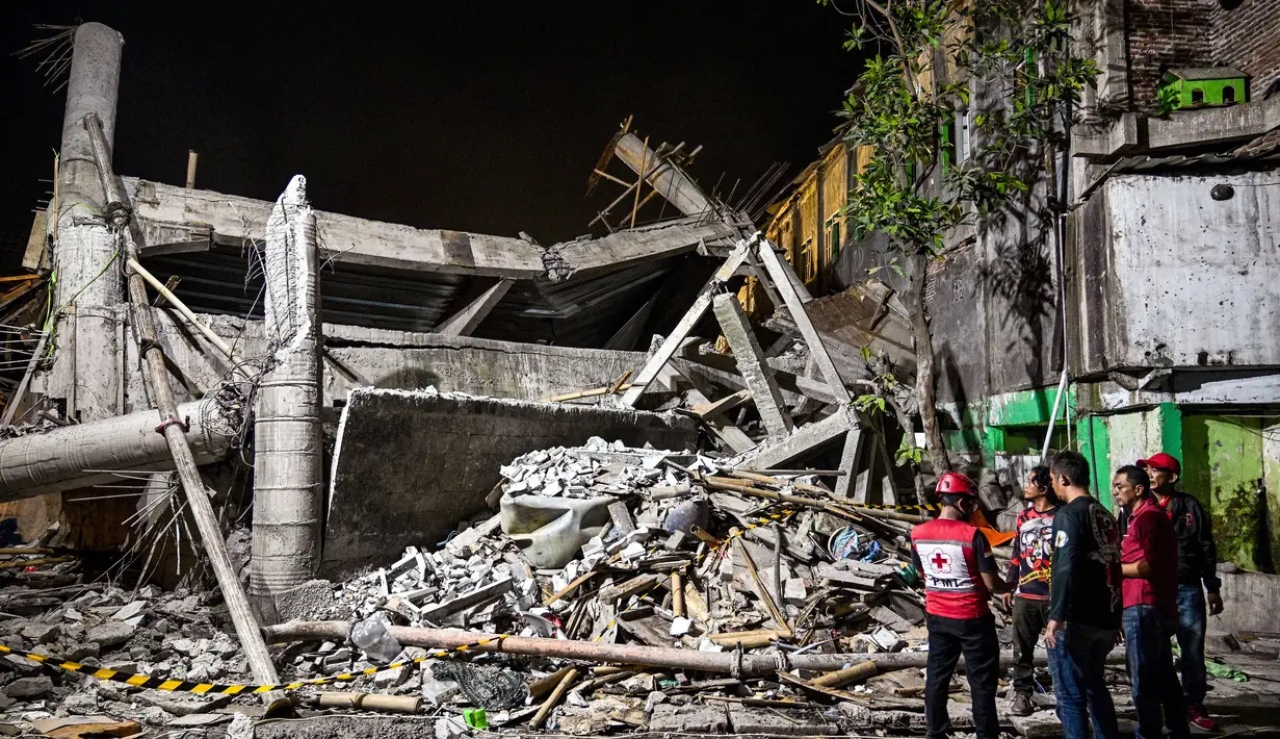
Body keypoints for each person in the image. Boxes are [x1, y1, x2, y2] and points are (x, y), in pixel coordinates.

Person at [910, 471, 1007, 739]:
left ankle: (935, 733)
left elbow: (921, 574)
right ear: (963, 504)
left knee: (937, 678)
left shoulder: (918, 533)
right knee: (981, 683)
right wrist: (1011, 586)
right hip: (973, 618)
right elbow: (990, 583)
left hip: (937, 616)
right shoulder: (972, 535)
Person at [1137, 452, 1224, 732]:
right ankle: (1160, 704)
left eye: (1155, 470)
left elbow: (1205, 547)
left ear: (1171, 478)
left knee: (1192, 650)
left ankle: (1193, 705)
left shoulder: (1189, 507)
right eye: (1147, 470)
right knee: (1153, 651)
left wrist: (1212, 588)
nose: (1149, 474)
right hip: (1151, 589)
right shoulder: (1137, 506)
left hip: (1186, 587)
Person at [1044, 450, 1122, 739]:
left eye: (1052, 479)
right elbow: (1113, 565)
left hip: (1078, 619)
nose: (1051, 485)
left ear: (1063, 478)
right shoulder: (1105, 513)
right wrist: (1117, 614)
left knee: (1069, 694)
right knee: (1094, 685)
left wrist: (1056, 616)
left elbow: (1063, 566)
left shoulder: (1068, 515)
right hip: (1106, 618)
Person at [1114, 465, 1189, 739]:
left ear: (1138, 489)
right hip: (1148, 605)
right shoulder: (1138, 518)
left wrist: (1112, 568)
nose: (1115, 491)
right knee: (1163, 675)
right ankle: (1177, 729)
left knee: (1142, 678)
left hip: (1144, 605)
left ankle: (1148, 733)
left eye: (1120, 486)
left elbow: (1147, 566)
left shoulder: (1147, 519)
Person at [1002, 465, 1060, 716]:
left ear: (1044, 488)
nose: (1025, 485)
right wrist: (1010, 584)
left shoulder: (1063, 516)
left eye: (1030, 481)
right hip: (1026, 594)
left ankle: (1065, 696)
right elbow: (1017, 553)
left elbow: (1066, 555)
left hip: (1055, 596)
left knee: (1060, 650)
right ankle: (1022, 694)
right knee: (1022, 650)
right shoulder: (1023, 517)